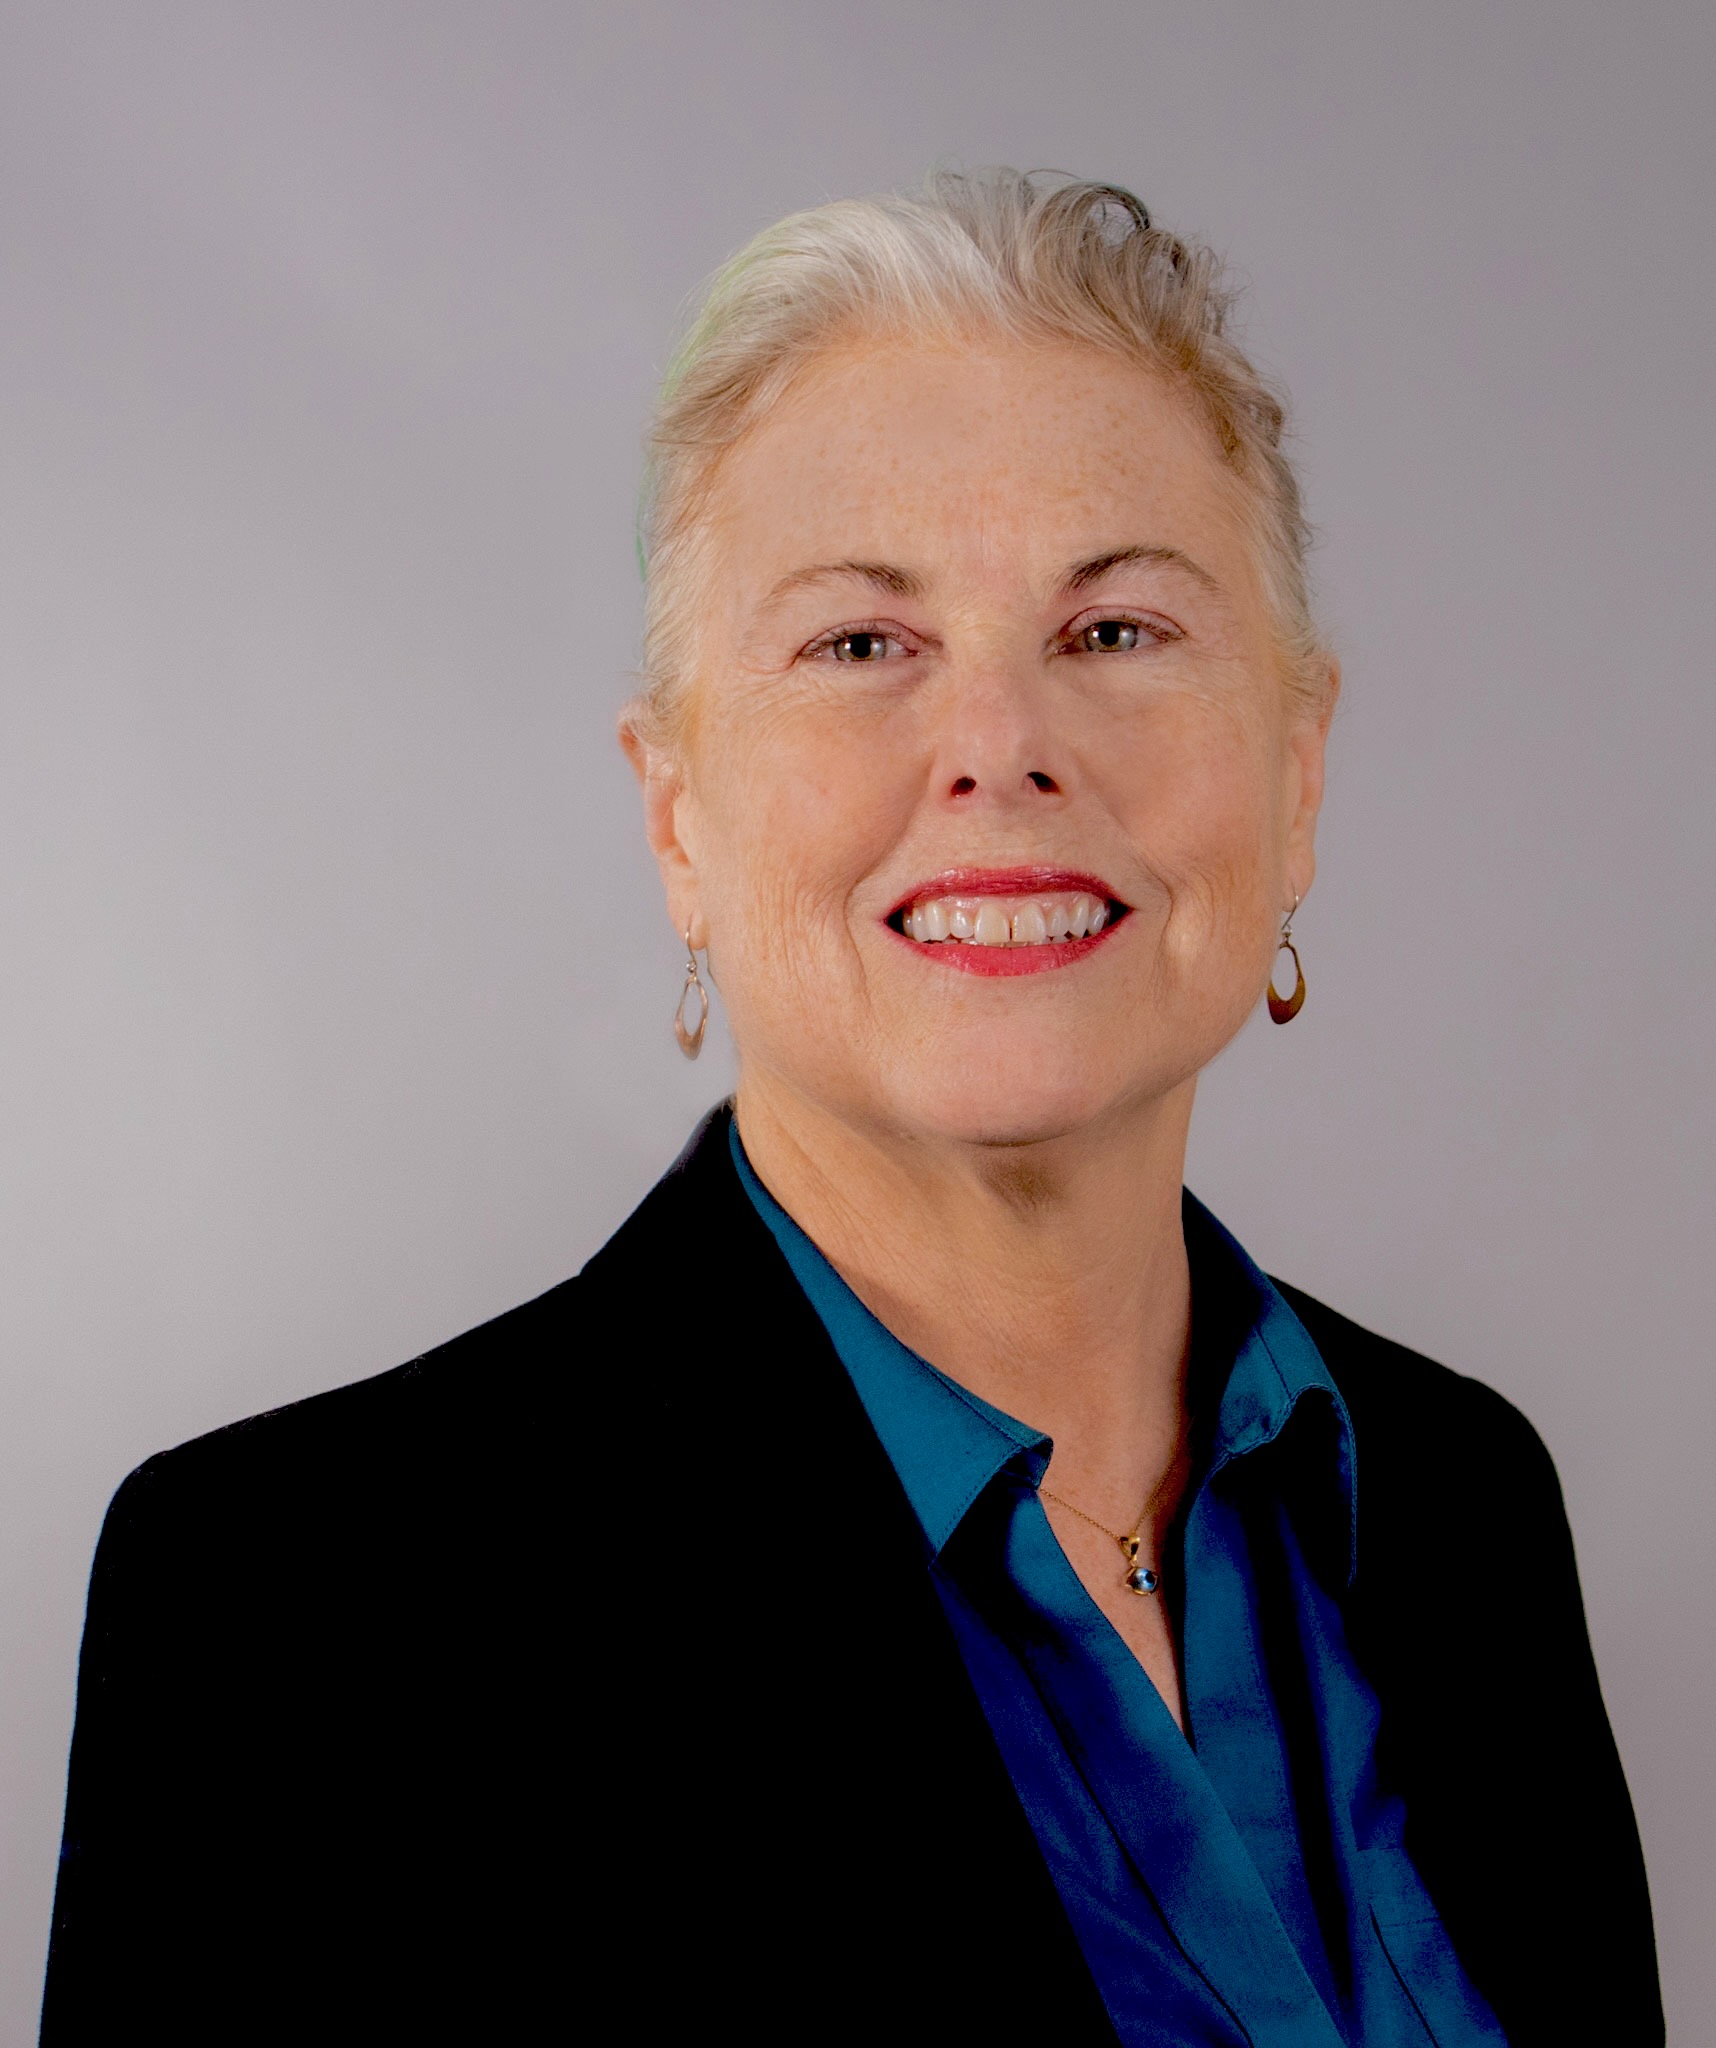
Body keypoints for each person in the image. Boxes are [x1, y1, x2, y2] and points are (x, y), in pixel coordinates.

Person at [41, 170, 1660, 2046]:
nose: (999, 744)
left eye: (1118, 630)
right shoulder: (298, 1624)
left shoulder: (1462, 1504)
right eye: (862, 643)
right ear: (677, 816)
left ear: (1297, 778)